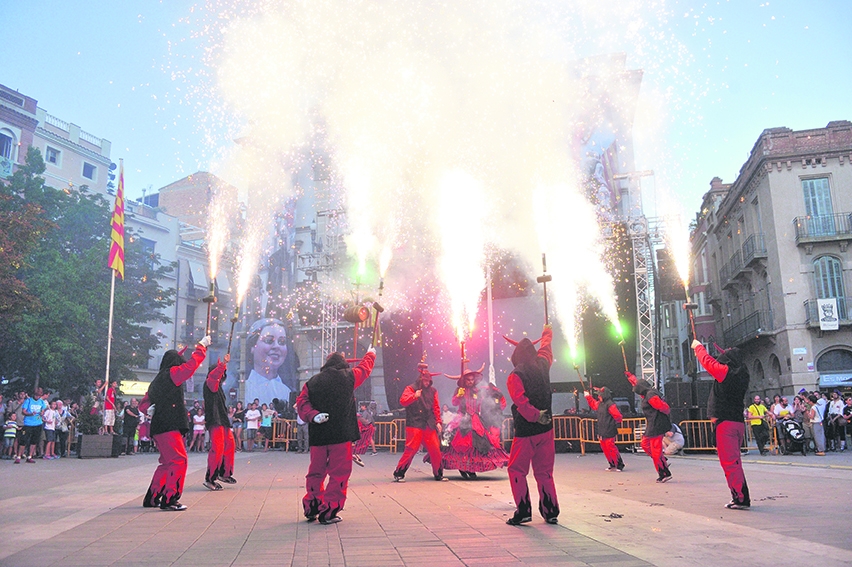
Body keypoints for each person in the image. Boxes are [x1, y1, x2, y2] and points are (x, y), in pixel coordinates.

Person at [296, 347, 376, 525]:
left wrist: (313, 415)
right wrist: (371, 354)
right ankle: (329, 510)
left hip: (318, 435)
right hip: (340, 434)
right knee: (339, 474)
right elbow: (365, 369)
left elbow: (301, 403)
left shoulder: (312, 382)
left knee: (316, 472)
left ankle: (312, 506)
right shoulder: (348, 377)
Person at [140, 336, 209, 511]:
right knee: (179, 460)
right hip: (170, 424)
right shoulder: (172, 374)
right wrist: (201, 347)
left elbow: (143, 405)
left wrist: (153, 409)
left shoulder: (156, 381)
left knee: (166, 462)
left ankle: (153, 497)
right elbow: (190, 367)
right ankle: (170, 499)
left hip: (158, 426)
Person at [504, 325, 559, 526]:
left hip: (527, 430)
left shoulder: (515, 375)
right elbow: (546, 347)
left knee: (516, 470)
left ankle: (523, 510)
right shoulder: (544, 363)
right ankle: (551, 511)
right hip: (547, 429)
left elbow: (521, 402)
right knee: (544, 472)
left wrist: (535, 416)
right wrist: (546, 331)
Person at [691, 340, 751, 510]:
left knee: (730, 463)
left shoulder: (727, 373)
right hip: (735, 422)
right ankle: (740, 495)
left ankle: (740, 498)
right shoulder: (740, 374)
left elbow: (708, 363)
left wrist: (699, 348)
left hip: (726, 424)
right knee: (734, 462)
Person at [438, 364, 509, 479]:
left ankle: (470, 468)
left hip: (476, 419)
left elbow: (489, 392)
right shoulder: (459, 390)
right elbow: (454, 403)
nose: (470, 382)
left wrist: (494, 389)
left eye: (472, 380)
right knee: (461, 444)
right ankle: (463, 467)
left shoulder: (478, 390)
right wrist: (458, 396)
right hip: (462, 418)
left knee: (476, 444)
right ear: (464, 380)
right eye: (468, 380)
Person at [392, 359, 445, 483]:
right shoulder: (411, 388)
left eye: (428, 381)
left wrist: (438, 421)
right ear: (421, 379)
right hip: (415, 423)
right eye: (425, 381)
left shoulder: (433, 391)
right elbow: (403, 401)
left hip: (428, 424)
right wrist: (414, 396)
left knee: (435, 448)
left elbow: (436, 407)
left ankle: (438, 473)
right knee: (411, 449)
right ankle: (399, 473)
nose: (427, 383)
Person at [625, 371, 672, 483]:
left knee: (655, 451)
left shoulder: (650, 395)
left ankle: (663, 472)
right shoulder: (648, 393)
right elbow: (638, 384)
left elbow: (663, 407)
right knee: (645, 445)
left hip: (656, 424)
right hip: (653, 424)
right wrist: (631, 378)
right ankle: (661, 461)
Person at [244, 318, 298, 408]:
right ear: (252, 346)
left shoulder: (287, 391)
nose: (276, 346)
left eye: (282, 342)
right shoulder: (244, 388)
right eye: (269, 341)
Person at [204, 354, 237, 490]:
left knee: (230, 444)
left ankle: (224, 473)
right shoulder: (210, 382)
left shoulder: (218, 387)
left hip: (222, 419)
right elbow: (214, 376)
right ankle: (210, 478)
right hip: (215, 419)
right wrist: (222, 364)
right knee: (217, 449)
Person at [584, 386, 625, 471]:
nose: (598, 396)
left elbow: (618, 416)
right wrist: (588, 397)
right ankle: (612, 464)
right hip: (602, 428)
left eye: (600, 395)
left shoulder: (610, 404)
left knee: (610, 447)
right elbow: (593, 404)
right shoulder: (600, 403)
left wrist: (614, 424)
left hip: (609, 428)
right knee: (605, 447)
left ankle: (619, 464)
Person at [16, 388, 48, 464]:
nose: (38, 397)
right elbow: (23, 411)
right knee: (23, 440)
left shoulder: (41, 402)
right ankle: (19, 456)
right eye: (37, 395)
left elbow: (43, 410)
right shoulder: (28, 401)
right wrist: (30, 414)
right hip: (28, 423)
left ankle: (30, 456)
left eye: (39, 395)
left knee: (34, 441)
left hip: (38, 423)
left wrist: (42, 413)